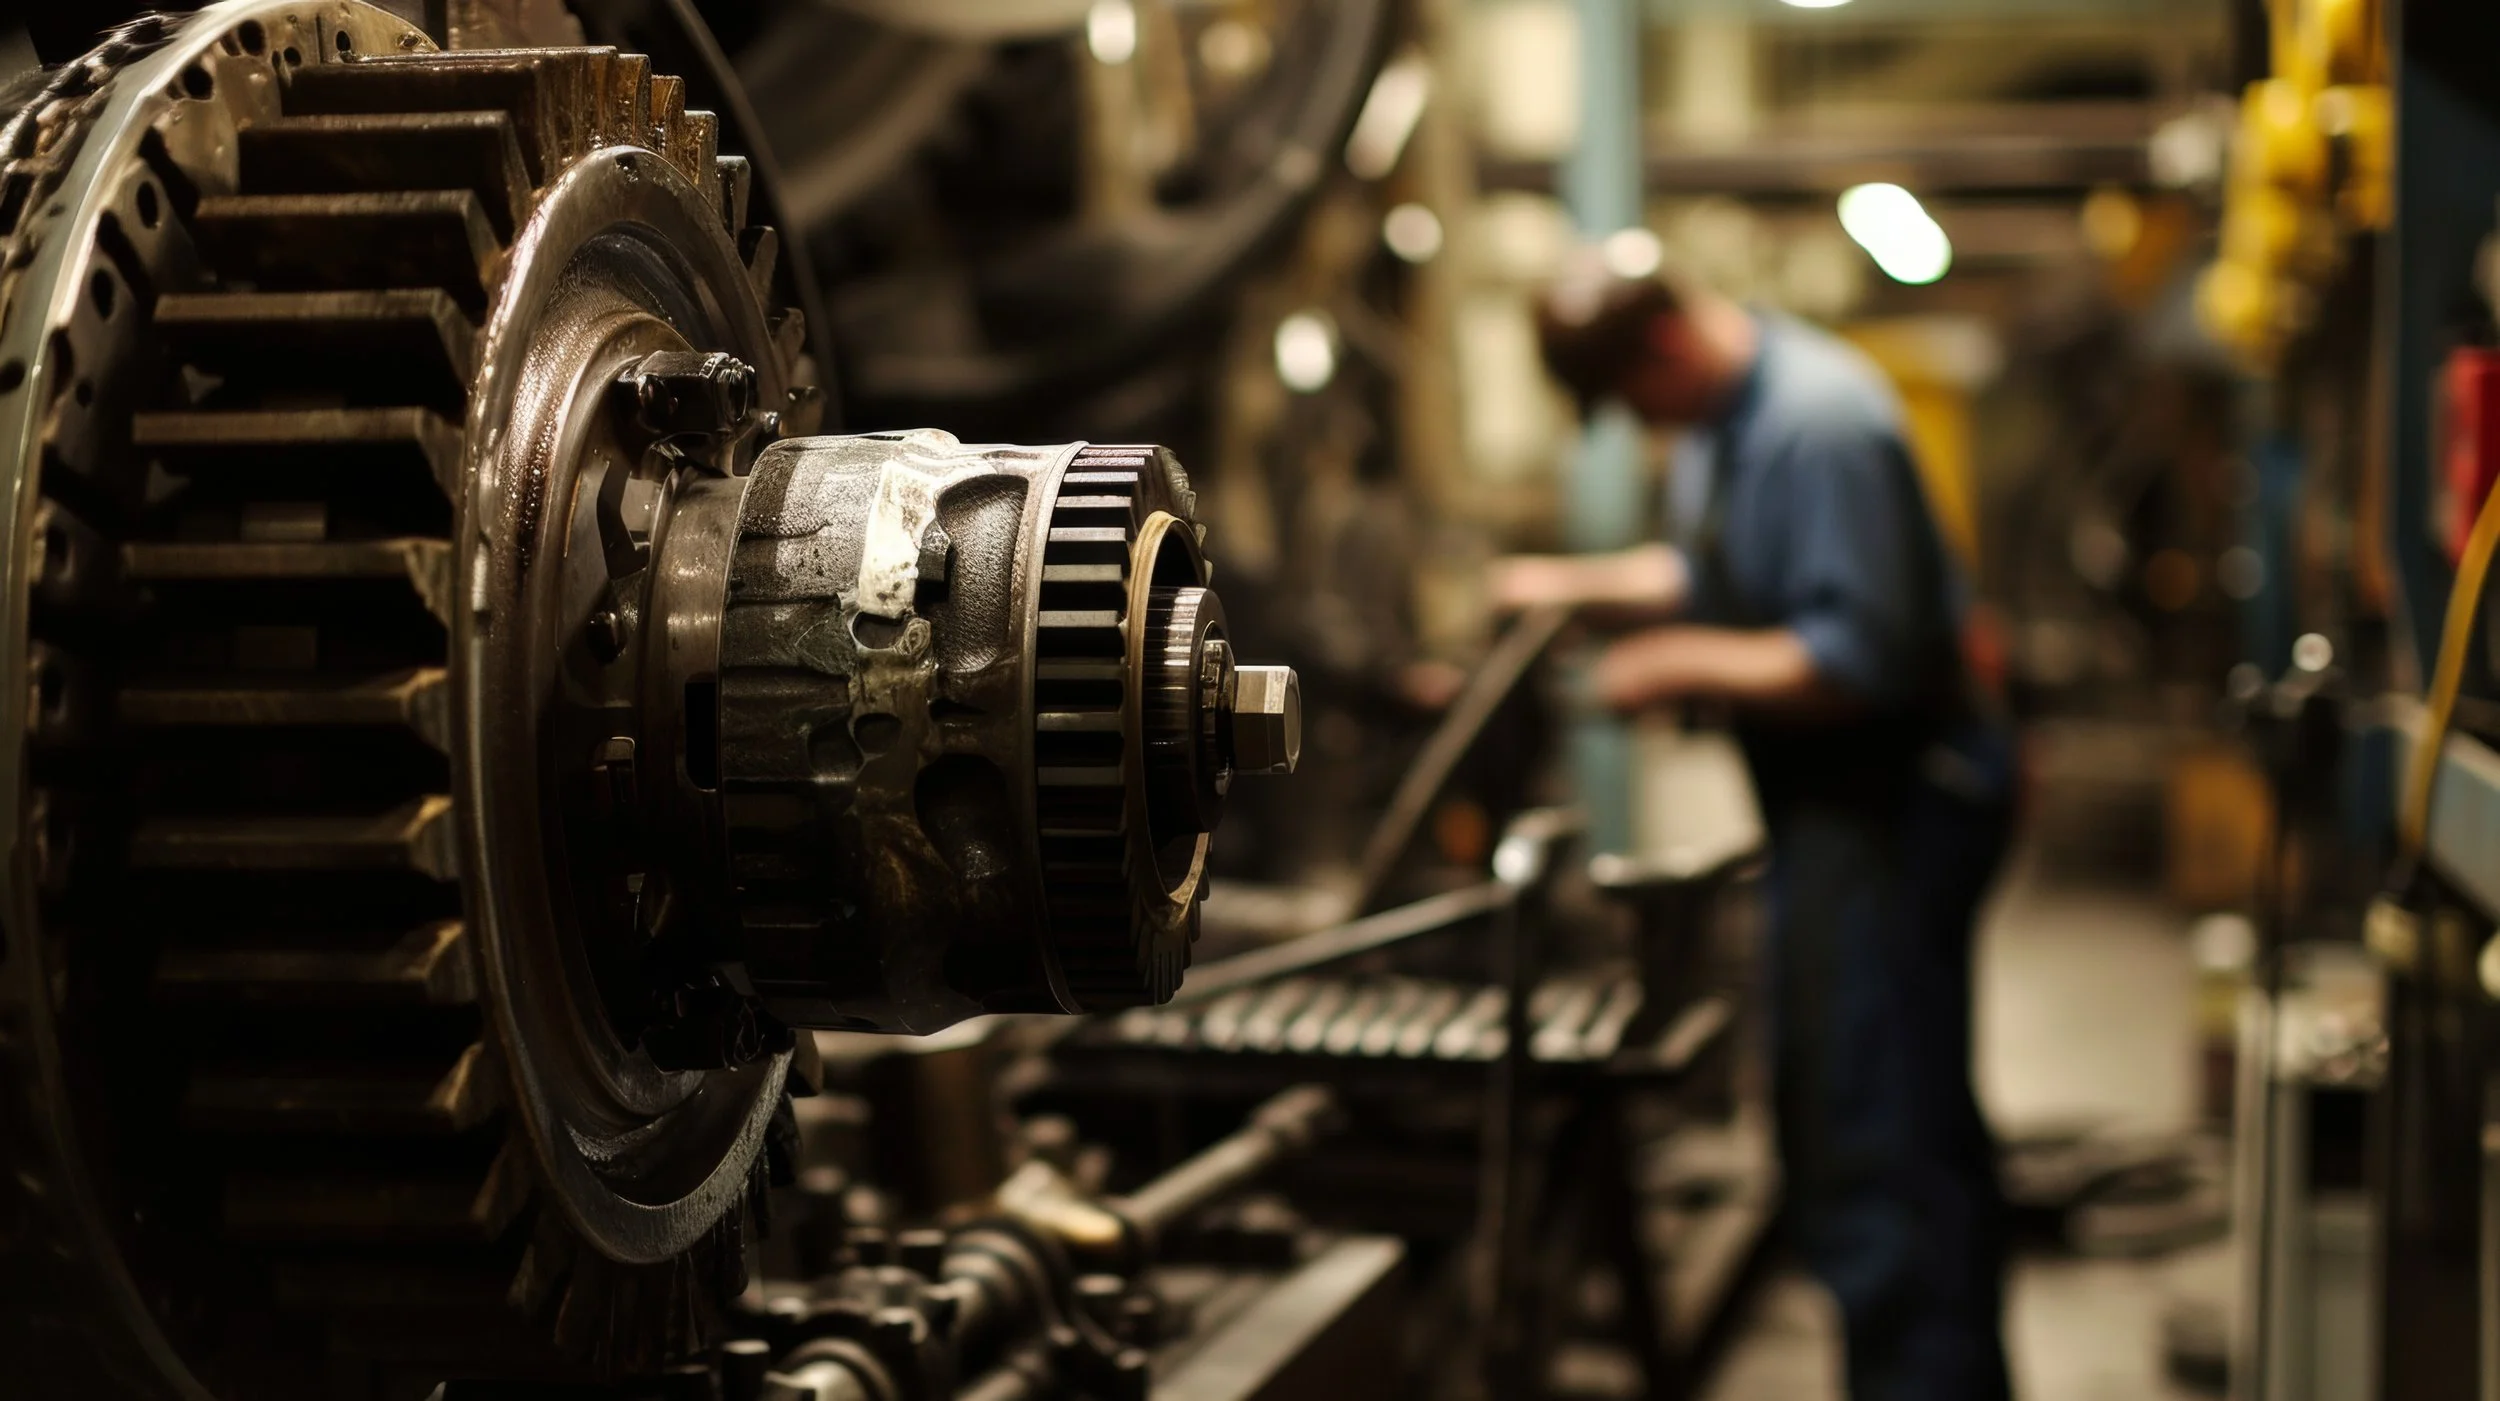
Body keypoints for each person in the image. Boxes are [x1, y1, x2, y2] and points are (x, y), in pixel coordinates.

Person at [1495, 256, 2017, 1401]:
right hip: (1835, 810)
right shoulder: (1740, 415)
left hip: (1890, 803)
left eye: (1634, 402)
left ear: (1667, 352)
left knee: (1872, 1132)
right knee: (1894, 1111)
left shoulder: (1817, 425)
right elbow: (1713, 570)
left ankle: (1925, 1383)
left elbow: (1853, 657)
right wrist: (1560, 588)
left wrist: (1666, 665)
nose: (1637, 427)